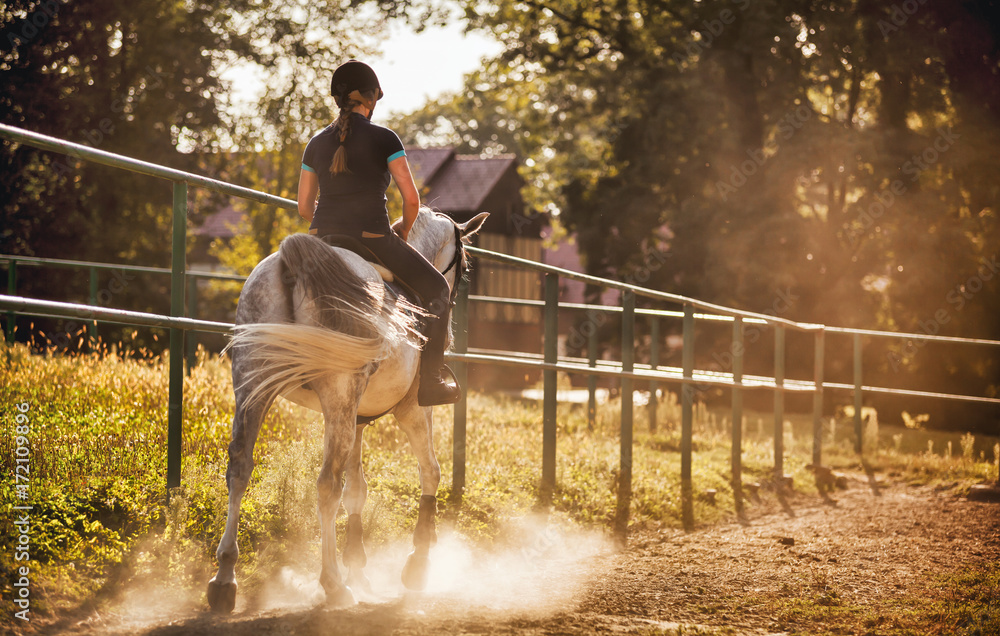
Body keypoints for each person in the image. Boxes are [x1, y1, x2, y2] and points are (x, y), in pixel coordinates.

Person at [296, 60, 460, 407]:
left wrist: (326, 224)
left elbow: (303, 206)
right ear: (370, 99)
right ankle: (430, 380)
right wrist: (401, 229)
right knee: (437, 289)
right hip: (372, 238)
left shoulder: (315, 143)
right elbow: (411, 200)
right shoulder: (385, 138)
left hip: (323, 238)